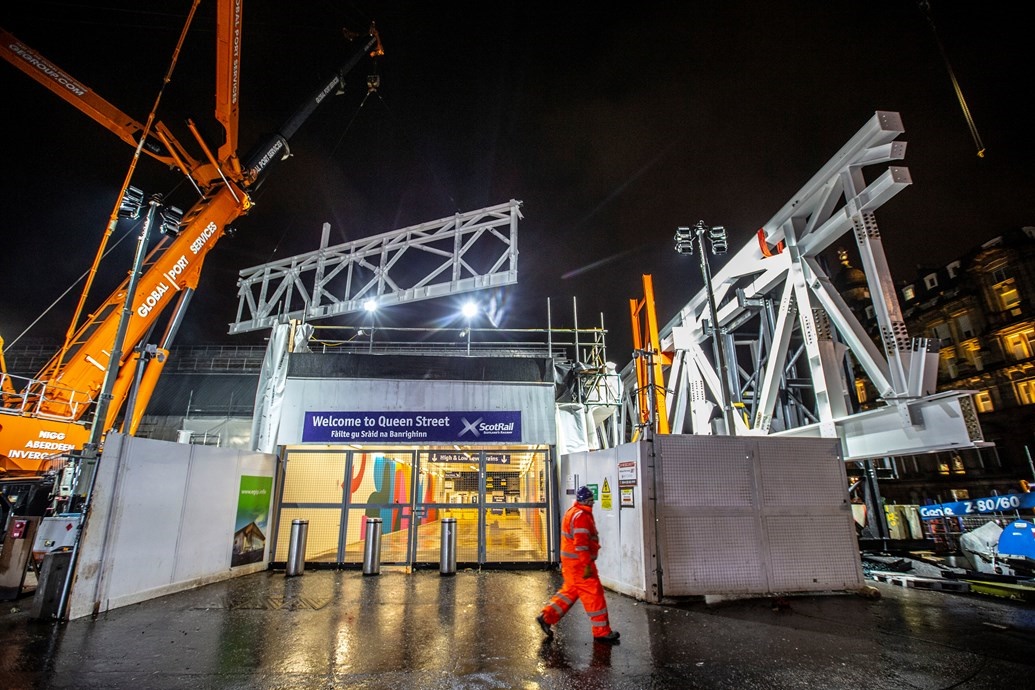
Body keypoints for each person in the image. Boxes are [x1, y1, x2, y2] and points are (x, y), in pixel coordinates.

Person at [536, 485, 620, 644]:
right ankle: (601, 632)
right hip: (580, 565)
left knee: (569, 592)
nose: (592, 504)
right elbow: (581, 544)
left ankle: (546, 617)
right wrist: (587, 564)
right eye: (590, 501)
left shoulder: (572, 512)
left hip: (571, 564)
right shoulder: (581, 516)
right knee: (595, 595)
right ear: (585, 501)